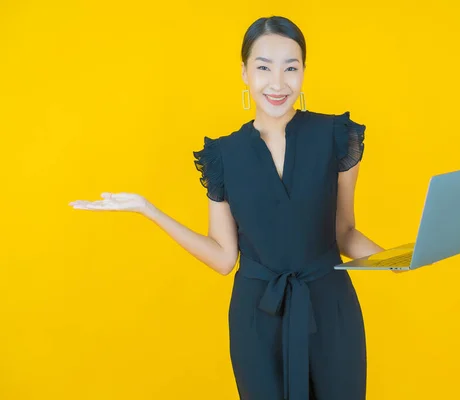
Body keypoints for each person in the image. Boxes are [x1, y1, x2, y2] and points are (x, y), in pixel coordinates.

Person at [69, 15, 393, 400]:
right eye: (263, 67)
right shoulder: (223, 155)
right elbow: (224, 258)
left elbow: (344, 233)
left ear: (305, 71)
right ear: (243, 72)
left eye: (291, 67)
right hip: (258, 318)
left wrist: (398, 258)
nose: (277, 83)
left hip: (330, 309)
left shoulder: (337, 136)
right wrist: (149, 210)